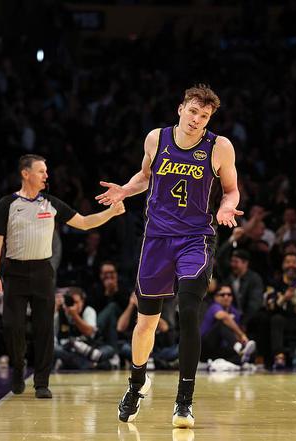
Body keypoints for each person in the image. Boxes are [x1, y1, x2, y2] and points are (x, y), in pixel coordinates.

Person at [95, 85, 242, 428]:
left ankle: (184, 402)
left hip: (196, 238)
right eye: (193, 111)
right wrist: (125, 190)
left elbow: (232, 190)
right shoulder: (156, 139)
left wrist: (227, 207)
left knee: (188, 309)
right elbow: (145, 177)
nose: (197, 120)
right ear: (180, 109)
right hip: (157, 239)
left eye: (204, 116)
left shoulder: (219, 147)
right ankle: (136, 384)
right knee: (146, 322)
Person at [0, 154, 125, 399]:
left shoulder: (51, 203)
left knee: (44, 329)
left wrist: (111, 213)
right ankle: (18, 368)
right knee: (12, 327)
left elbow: (84, 223)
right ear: (26, 174)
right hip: (14, 272)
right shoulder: (7, 204)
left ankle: (42, 382)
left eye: (46, 171)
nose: (46, 175)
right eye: (41, 171)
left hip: (42, 272)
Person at [199, 285, 256, 367]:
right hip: (204, 348)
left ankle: (226, 361)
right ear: (215, 297)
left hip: (220, 349)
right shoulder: (214, 307)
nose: (226, 297)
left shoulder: (235, 312)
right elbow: (224, 317)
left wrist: (243, 341)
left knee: (251, 353)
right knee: (221, 324)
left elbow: (235, 333)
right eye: (222, 295)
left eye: (229, 294)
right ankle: (239, 349)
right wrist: (242, 335)